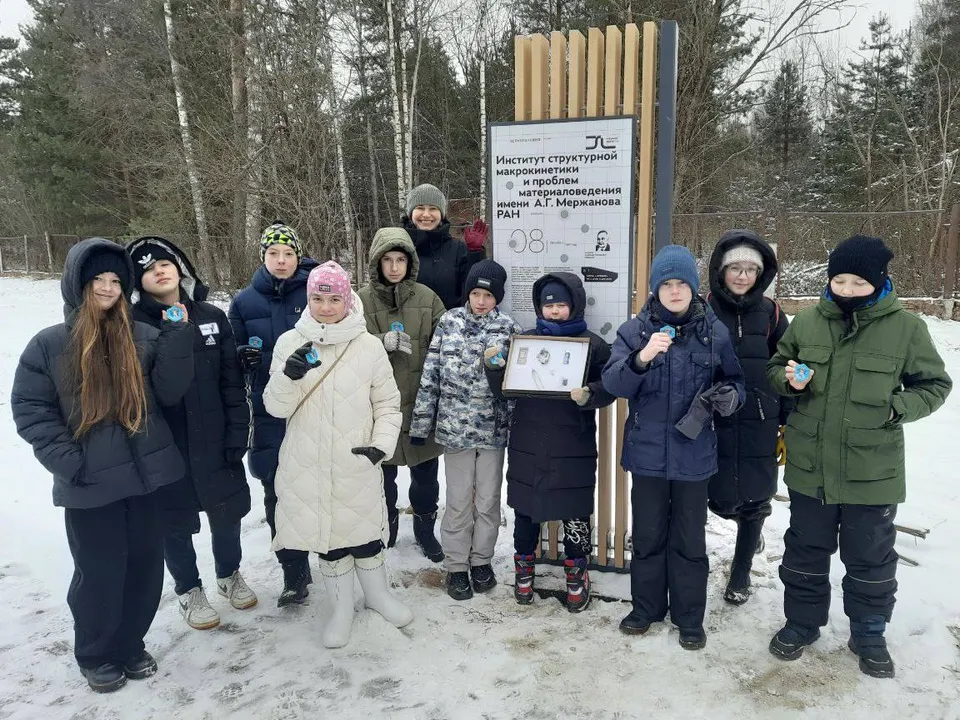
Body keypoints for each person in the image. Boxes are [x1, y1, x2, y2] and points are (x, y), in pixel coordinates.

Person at [11, 238, 194, 693]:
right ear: (78, 283)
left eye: (116, 280)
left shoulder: (143, 336)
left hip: (147, 481)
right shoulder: (49, 345)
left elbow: (170, 393)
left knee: (146, 567)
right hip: (90, 484)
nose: (108, 288)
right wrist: (70, 463)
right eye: (99, 280)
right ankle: (95, 652)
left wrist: (177, 341)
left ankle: (131, 644)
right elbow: (30, 409)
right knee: (99, 573)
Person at [765, 235, 951, 679]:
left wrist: (898, 407)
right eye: (839, 280)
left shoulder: (907, 329)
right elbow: (775, 368)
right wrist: (787, 381)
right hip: (810, 468)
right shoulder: (807, 322)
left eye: (857, 282)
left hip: (873, 472)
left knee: (870, 556)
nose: (846, 290)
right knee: (805, 551)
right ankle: (802, 623)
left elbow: (935, 385)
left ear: (879, 282)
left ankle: (868, 632)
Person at [602, 245, 745, 651]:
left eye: (682, 283)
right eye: (667, 283)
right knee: (647, 537)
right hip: (647, 456)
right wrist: (642, 359)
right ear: (655, 289)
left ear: (694, 288)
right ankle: (645, 608)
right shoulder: (634, 333)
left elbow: (737, 383)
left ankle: (689, 617)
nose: (675, 290)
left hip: (693, 457)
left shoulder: (713, 333)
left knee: (689, 540)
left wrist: (731, 397)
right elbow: (613, 384)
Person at [263, 261, 407, 649]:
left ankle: (378, 596)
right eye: (318, 298)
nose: (326, 307)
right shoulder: (290, 343)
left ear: (348, 301)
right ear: (308, 299)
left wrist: (381, 445)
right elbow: (276, 409)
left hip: (355, 458)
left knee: (363, 532)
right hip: (307, 460)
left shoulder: (368, 346)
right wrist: (287, 377)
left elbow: (389, 404)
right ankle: (341, 609)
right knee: (328, 537)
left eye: (334, 299)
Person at [127, 236, 256, 631]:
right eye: (148, 269)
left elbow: (231, 383)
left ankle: (229, 574)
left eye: (164, 263)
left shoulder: (211, 316)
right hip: (167, 444)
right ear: (138, 281)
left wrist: (238, 432)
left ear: (180, 267)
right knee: (174, 521)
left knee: (227, 511)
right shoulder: (135, 327)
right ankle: (188, 589)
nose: (159, 271)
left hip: (216, 436)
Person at [485, 273, 615, 611]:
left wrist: (591, 394)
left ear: (573, 305)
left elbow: (610, 386)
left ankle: (576, 574)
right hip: (529, 442)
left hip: (573, 445)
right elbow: (504, 387)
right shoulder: (524, 342)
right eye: (548, 305)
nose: (555, 311)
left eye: (561, 304)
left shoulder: (594, 345)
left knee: (575, 511)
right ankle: (524, 572)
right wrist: (494, 367)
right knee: (526, 510)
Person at [410, 259, 521, 600]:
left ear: (497, 297)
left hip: (492, 431)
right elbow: (431, 373)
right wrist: (421, 421)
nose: (481, 300)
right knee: (458, 501)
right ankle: (457, 565)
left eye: (488, 294)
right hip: (455, 430)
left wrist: (517, 426)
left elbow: (515, 383)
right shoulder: (449, 322)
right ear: (467, 294)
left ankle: (482, 561)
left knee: (488, 501)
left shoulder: (508, 327)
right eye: (475, 293)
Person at [228, 222, 318, 607]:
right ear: (262, 257)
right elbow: (229, 357)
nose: (281, 261)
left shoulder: (316, 292)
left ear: (298, 257)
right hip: (268, 411)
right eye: (273, 254)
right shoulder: (244, 302)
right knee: (276, 490)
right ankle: (293, 572)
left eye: (288, 254)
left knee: (319, 486)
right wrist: (241, 359)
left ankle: (334, 559)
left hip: (314, 405)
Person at [705, 231, 792, 606]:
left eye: (750, 269)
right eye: (735, 268)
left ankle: (740, 574)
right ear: (721, 271)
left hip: (760, 417)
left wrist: (785, 417)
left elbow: (789, 365)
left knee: (757, 497)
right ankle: (734, 531)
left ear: (762, 273)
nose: (742, 276)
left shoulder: (772, 313)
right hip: (713, 416)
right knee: (717, 496)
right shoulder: (703, 307)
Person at [357, 227, 447, 561]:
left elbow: (446, 343)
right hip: (378, 408)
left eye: (401, 260)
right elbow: (347, 347)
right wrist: (380, 341)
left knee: (426, 477)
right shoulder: (360, 302)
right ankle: (387, 528)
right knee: (383, 475)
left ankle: (425, 532)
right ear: (376, 263)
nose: (394, 267)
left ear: (411, 263)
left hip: (422, 405)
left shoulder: (428, 298)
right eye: (387, 260)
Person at [401, 183, 486, 309]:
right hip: (408, 326)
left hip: (449, 325)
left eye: (433, 208)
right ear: (410, 213)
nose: (426, 214)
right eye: (420, 207)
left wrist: (474, 254)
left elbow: (474, 288)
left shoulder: (457, 250)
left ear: (441, 215)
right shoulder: (399, 247)